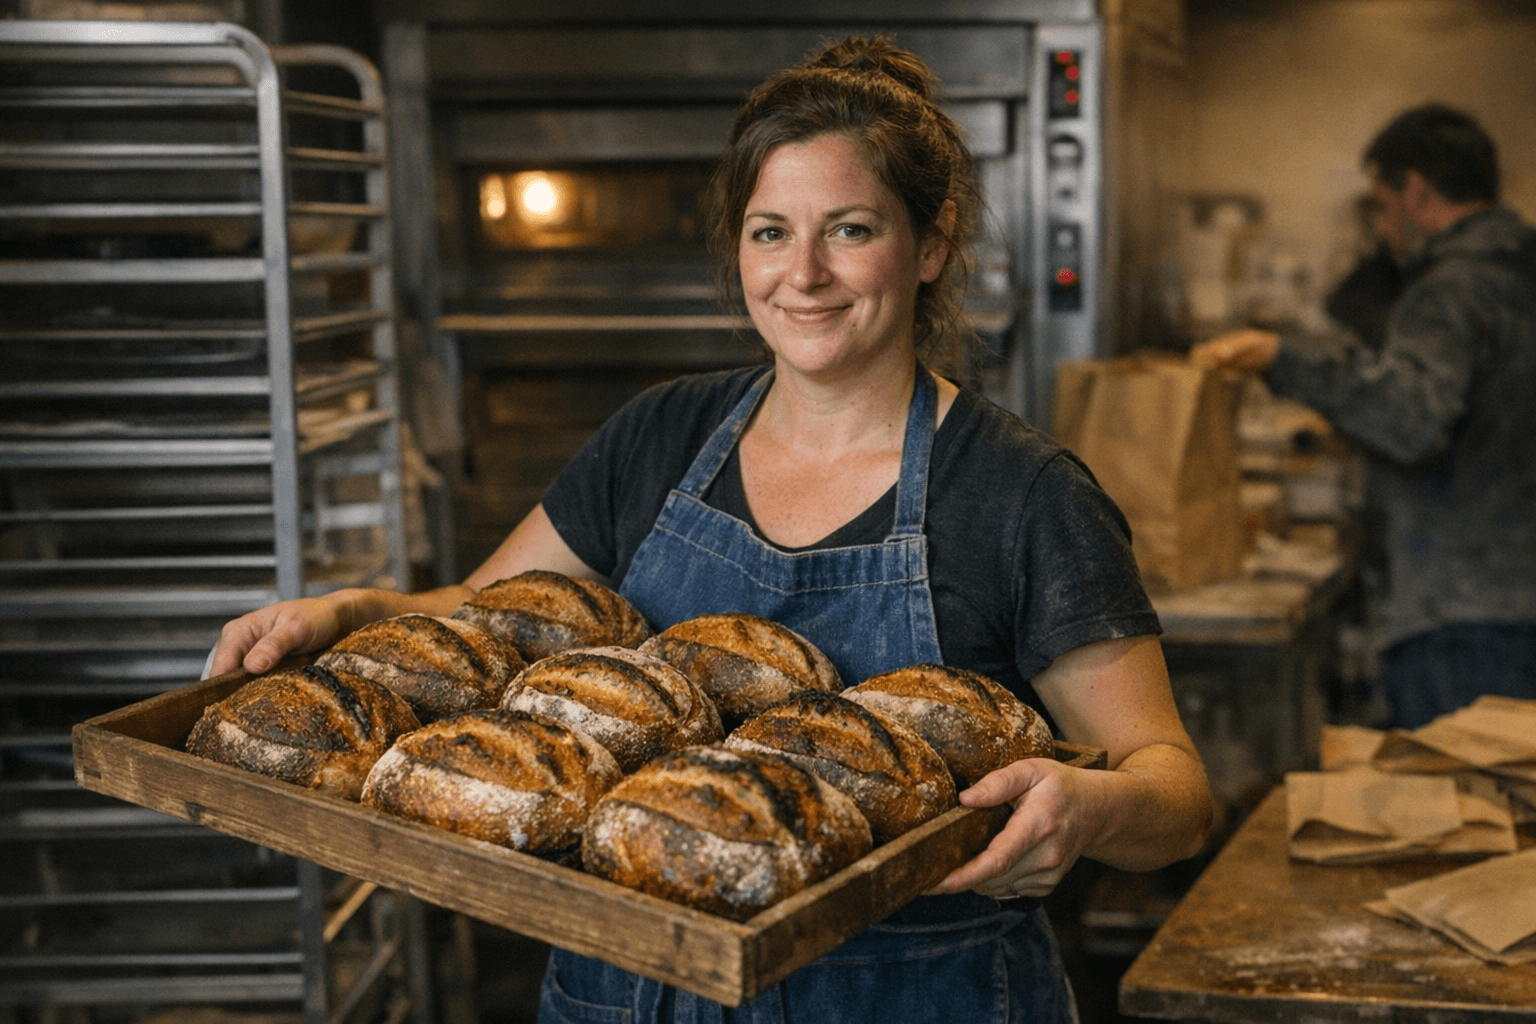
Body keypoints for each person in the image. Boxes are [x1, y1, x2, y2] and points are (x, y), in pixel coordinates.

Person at [212, 36, 1212, 1023]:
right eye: (771, 231)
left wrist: (1094, 810)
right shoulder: (661, 433)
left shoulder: (1022, 493)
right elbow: (483, 621)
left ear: (933, 242)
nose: (804, 273)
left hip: (904, 994)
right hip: (625, 993)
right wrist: (354, 612)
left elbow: (1175, 789)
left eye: (852, 230)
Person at [1193, 104, 1536, 730]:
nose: (1384, 228)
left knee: (1464, 813)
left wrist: (1281, 357)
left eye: (1382, 204)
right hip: (1515, 602)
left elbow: (1413, 421)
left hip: (1463, 618)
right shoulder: (1518, 270)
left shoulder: (1451, 288)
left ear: (1414, 191)